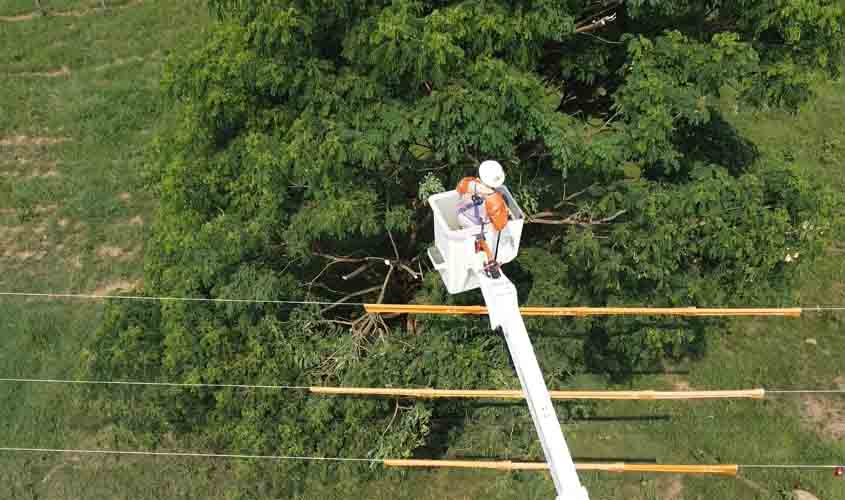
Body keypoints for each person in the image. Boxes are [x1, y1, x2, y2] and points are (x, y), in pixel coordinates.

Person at [455, 160, 510, 278]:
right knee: (488, 236)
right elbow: (500, 225)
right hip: (477, 227)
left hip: (461, 216)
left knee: (475, 231)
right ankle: (489, 262)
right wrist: (504, 211)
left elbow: (459, 189)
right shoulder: (495, 200)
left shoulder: (468, 182)